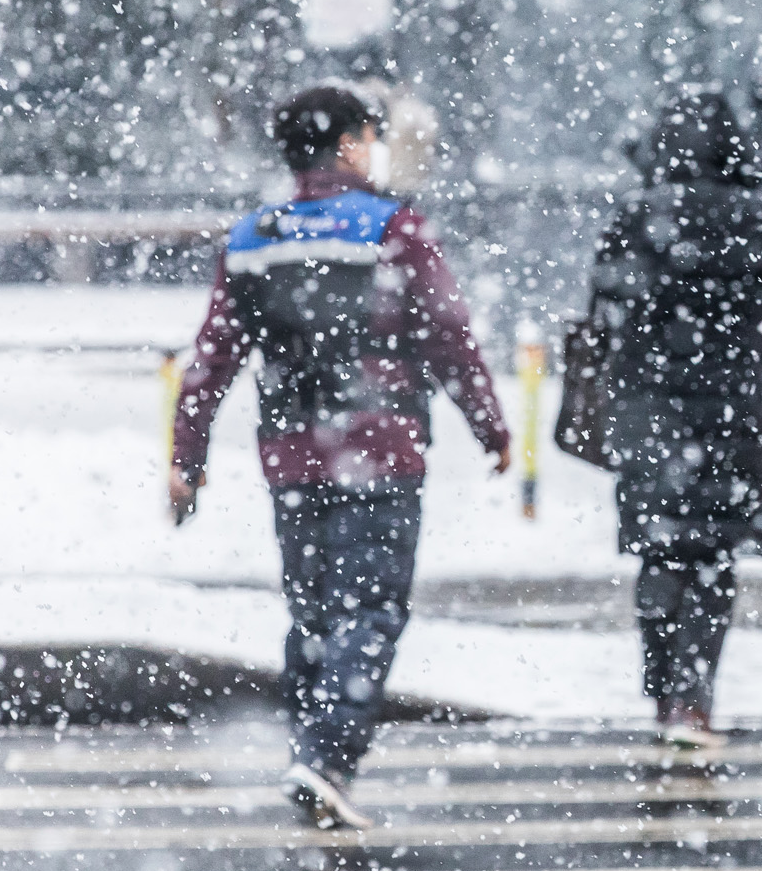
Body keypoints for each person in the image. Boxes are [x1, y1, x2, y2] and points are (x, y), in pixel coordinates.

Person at [169, 85, 512, 831]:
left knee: (314, 614)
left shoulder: (257, 237)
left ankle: (310, 748)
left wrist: (186, 455)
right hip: (381, 453)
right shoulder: (394, 229)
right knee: (372, 610)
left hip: (292, 458)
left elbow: (212, 360)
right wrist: (489, 424)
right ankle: (326, 756)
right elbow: (448, 335)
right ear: (352, 143)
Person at [594, 93, 762, 748]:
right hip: (731, 403)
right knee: (713, 556)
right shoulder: (755, 213)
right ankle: (694, 695)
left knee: (661, 550)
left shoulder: (637, 213)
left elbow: (603, 292)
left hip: (650, 402)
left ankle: (662, 694)